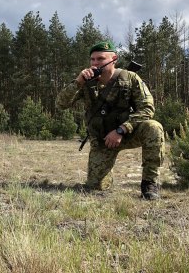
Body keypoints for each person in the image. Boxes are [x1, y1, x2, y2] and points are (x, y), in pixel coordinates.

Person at [57, 41, 164, 200]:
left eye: (100, 59)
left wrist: (122, 129)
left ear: (113, 59)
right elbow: (61, 104)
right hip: (102, 140)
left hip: (128, 133)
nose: (95, 63)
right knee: (96, 187)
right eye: (92, 59)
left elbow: (147, 109)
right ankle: (105, 173)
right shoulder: (86, 83)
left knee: (154, 128)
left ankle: (149, 184)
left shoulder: (130, 78)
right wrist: (78, 82)